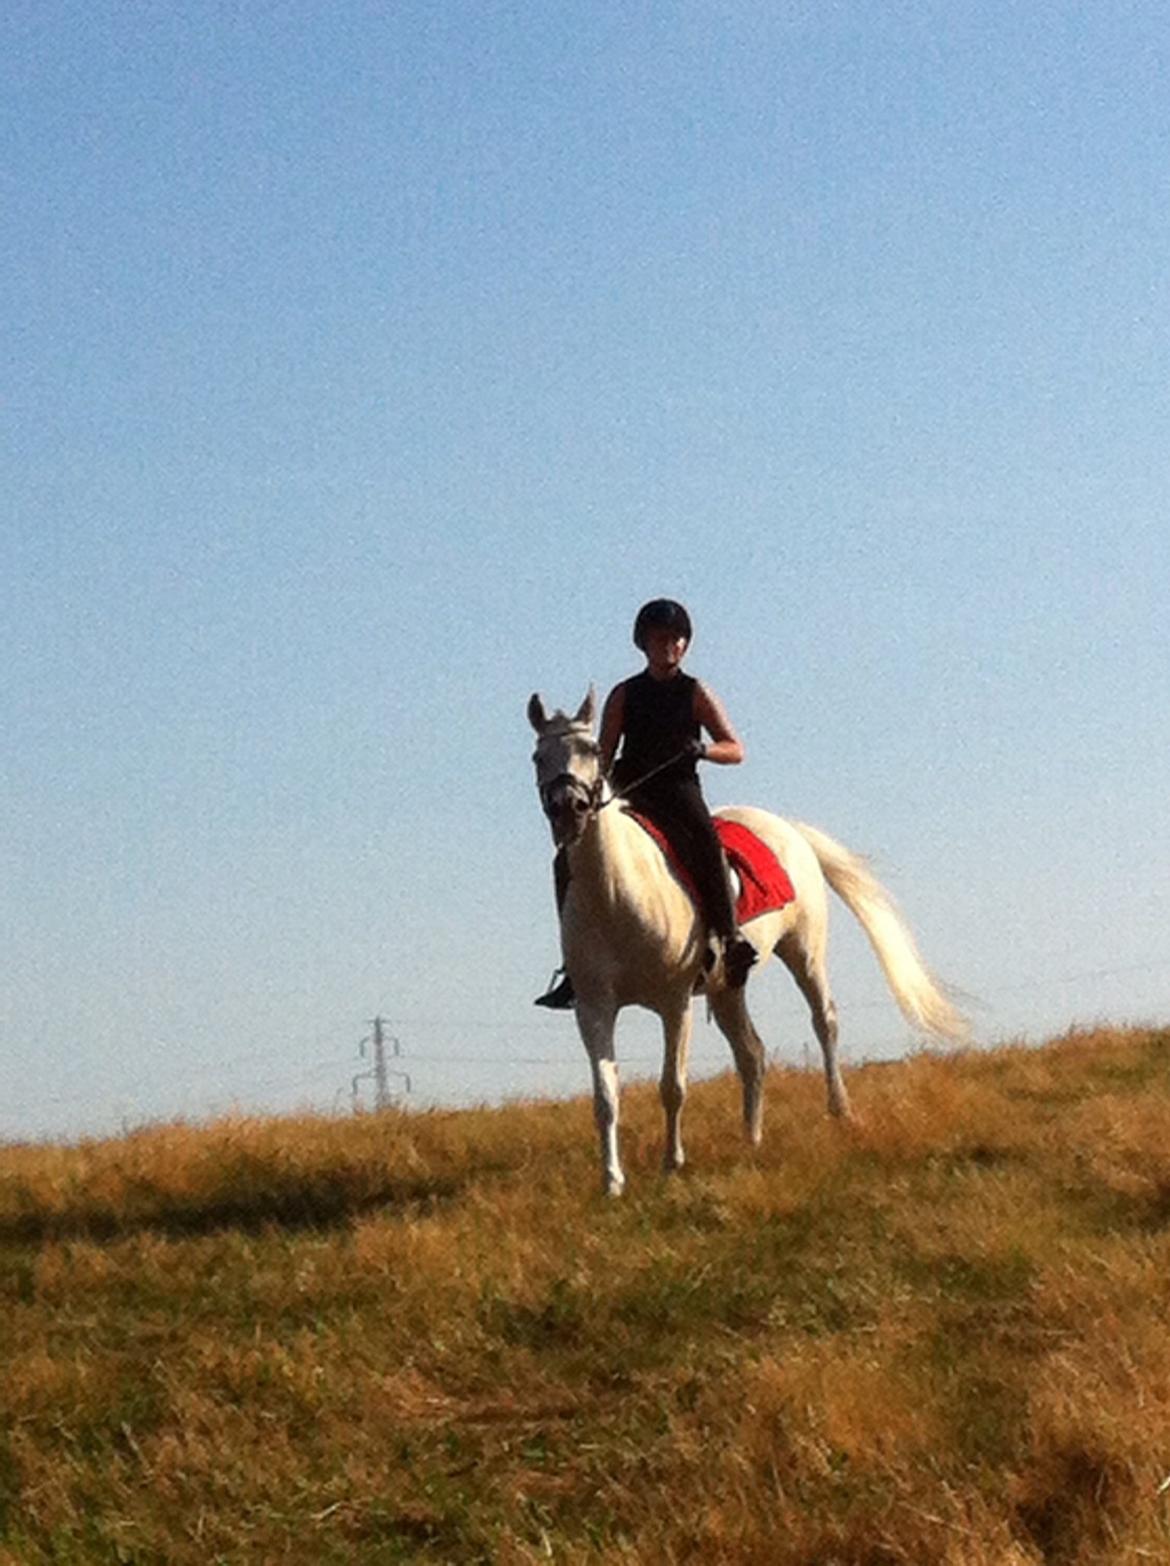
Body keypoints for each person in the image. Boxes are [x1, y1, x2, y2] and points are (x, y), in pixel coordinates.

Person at [536, 598, 758, 1009]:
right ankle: (574, 964)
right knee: (566, 857)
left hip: (678, 789)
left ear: (685, 645)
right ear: (645, 644)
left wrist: (704, 750)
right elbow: (602, 752)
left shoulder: (696, 692)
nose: (670, 645)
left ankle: (729, 937)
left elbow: (736, 748)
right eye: (661, 639)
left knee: (707, 843)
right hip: (629, 787)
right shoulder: (624, 694)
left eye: (677, 639)